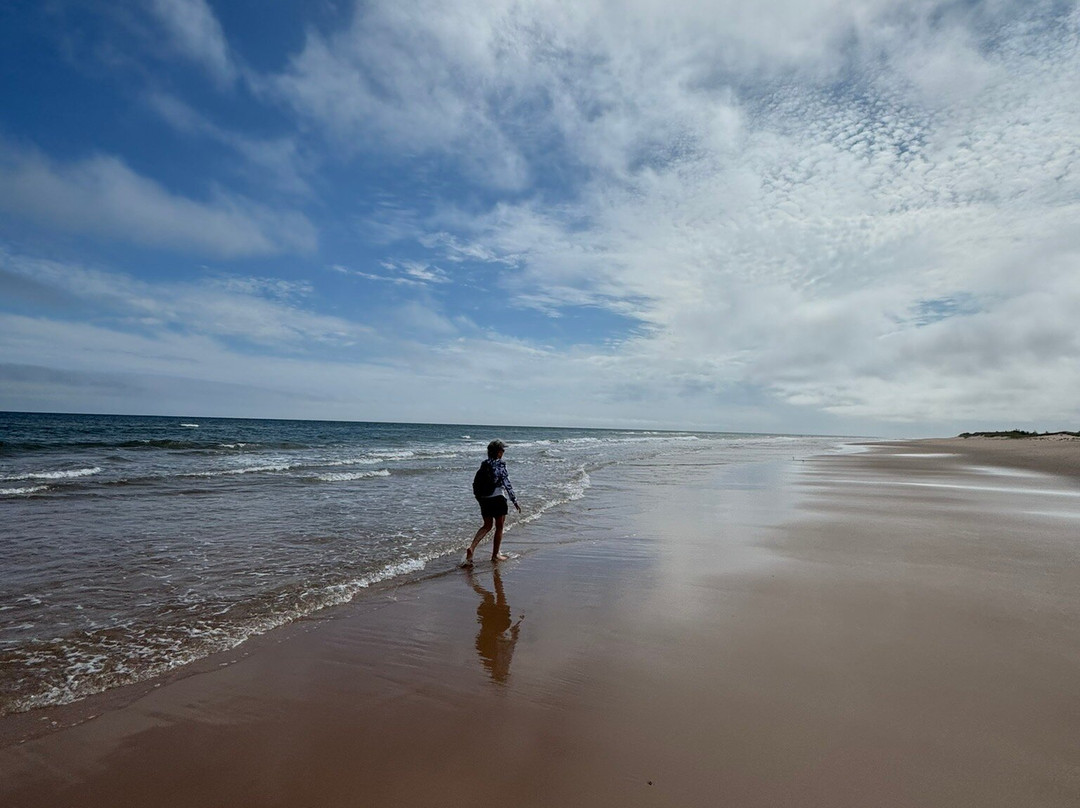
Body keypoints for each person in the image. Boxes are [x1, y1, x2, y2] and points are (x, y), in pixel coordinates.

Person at [464, 439, 521, 566]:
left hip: (484, 499)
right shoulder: (500, 464)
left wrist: (479, 498)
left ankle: (472, 547)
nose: (504, 451)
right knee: (499, 527)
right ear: (498, 452)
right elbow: (507, 484)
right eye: (502, 449)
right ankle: (495, 555)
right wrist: (514, 500)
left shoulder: (484, 464)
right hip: (498, 498)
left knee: (487, 526)